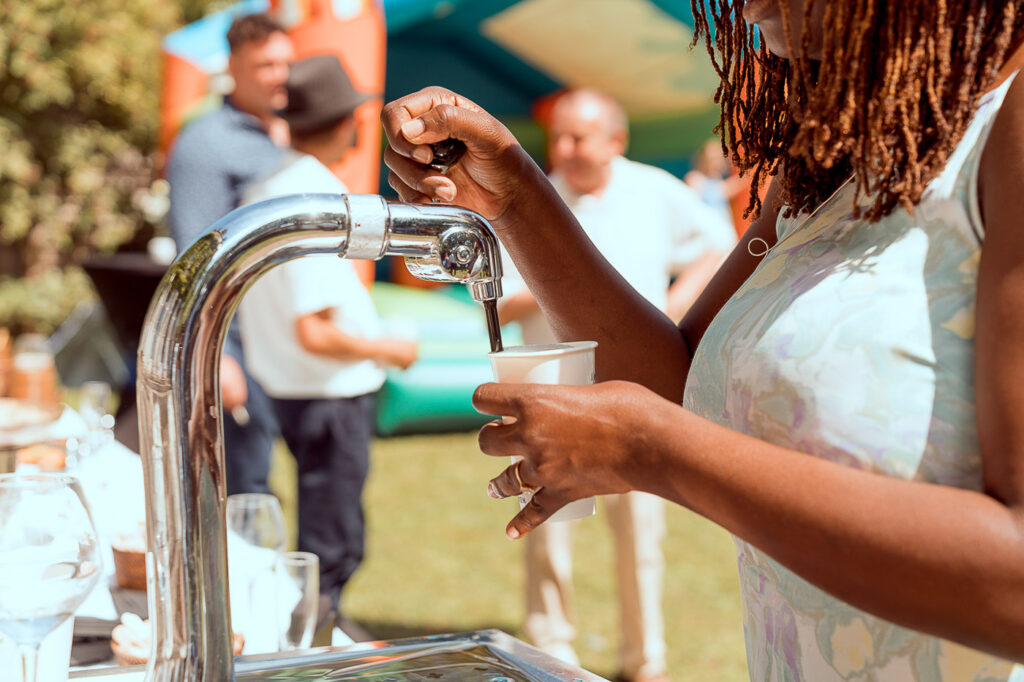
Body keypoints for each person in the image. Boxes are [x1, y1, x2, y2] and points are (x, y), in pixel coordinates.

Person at [380, 0, 1024, 679]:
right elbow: (676, 385)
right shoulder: (836, 153)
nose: (749, 9)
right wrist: (514, 195)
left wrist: (653, 449)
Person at [498, 89, 733, 682]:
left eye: (581, 137)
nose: (568, 150)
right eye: (561, 138)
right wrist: (564, 283)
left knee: (641, 525)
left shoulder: (654, 190)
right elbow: (495, 300)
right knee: (549, 522)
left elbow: (717, 246)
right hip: (552, 380)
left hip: (636, 382)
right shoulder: (535, 202)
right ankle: (553, 647)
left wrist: (673, 312)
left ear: (615, 142)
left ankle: (644, 658)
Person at [238, 54, 418, 612]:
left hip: (288, 386)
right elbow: (314, 331)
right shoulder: (314, 198)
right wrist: (389, 348)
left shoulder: (265, 185)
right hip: (327, 391)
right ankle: (308, 652)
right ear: (348, 123)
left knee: (322, 541)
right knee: (331, 551)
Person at [165, 12, 294, 496]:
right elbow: (193, 260)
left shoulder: (284, 134)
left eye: (286, 63)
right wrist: (217, 356)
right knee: (243, 489)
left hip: (288, 339)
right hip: (237, 343)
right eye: (265, 65)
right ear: (234, 67)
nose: (280, 75)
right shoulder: (205, 143)